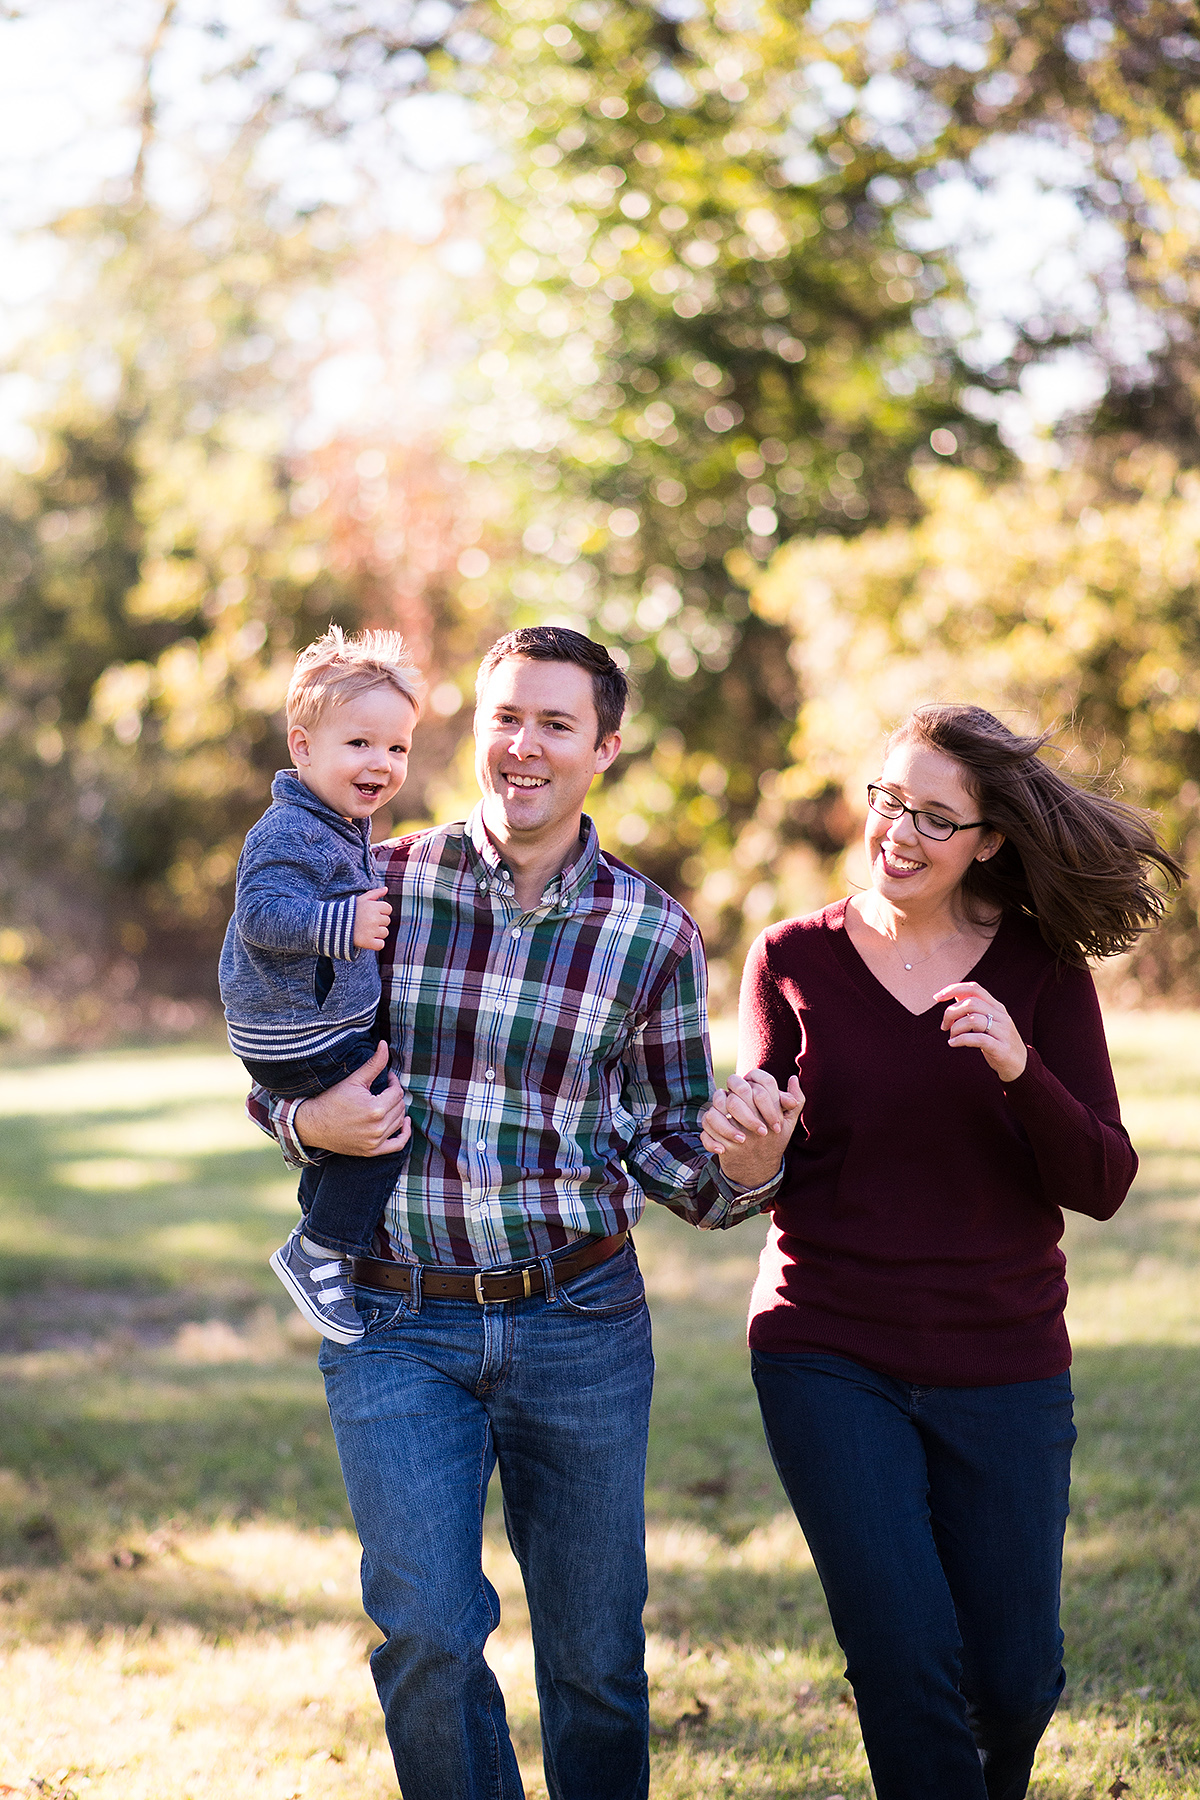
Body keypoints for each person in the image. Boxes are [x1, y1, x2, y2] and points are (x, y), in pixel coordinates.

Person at [248, 625, 802, 1800]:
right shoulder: (382, 882)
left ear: (603, 746)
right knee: (430, 1637)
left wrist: (748, 1166)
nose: (525, 746)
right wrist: (307, 1128)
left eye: (556, 722)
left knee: (597, 1660)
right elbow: (279, 1056)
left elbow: (666, 1147)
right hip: (397, 1322)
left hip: (581, 1322)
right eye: (505, 716)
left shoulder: (652, 932)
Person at [701, 703, 1183, 1800]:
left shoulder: (1043, 970)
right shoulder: (793, 958)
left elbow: (1103, 1181)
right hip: (827, 1347)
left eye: (934, 815)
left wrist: (1022, 1070)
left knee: (1015, 1682)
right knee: (906, 1660)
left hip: (1004, 1355)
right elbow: (756, 1176)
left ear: (990, 838)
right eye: (886, 802)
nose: (899, 833)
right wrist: (749, 1154)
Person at [220, 625, 421, 1343]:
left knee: (353, 1134)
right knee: (383, 1128)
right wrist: (345, 926)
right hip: (293, 1033)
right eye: (360, 744)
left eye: (397, 747)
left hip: (310, 1026)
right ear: (302, 747)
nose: (383, 762)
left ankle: (331, 1243)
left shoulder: (335, 825)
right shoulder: (289, 832)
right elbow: (261, 915)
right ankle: (320, 1249)